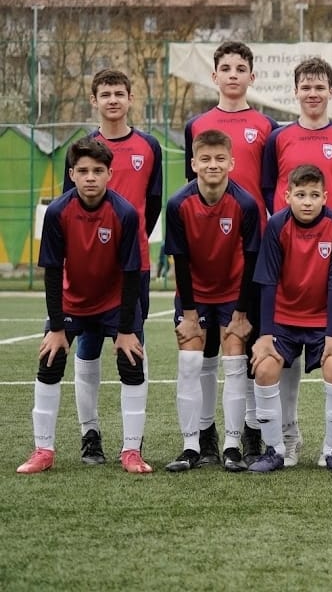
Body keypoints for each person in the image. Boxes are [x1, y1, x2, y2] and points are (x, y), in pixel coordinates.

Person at [18, 138, 149, 474]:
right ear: (72, 174)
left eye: (98, 171)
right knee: (49, 360)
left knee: (132, 362)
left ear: (109, 174)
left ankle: (131, 451)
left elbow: (131, 274)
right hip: (72, 302)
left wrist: (125, 330)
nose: (91, 177)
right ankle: (43, 450)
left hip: (115, 303)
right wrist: (56, 328)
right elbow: (51, 271)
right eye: (84, 171)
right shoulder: (57, 212)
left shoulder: (124, 213)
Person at [261, 57, 332, 468]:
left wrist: (330, 223)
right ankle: (284, 441)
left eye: (320, 86)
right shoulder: (278, 138)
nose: (313, 93)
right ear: (296, 91)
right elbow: (268, 186)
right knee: (276, 362)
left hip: (329, 250)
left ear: (331, 91)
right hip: (290, 256)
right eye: (306, 86)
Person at [184, 40, 279, 467]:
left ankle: (251, 433)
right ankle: (205, 435)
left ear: (252, 77)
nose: (234, 75)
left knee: (249, 342)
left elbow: (270, 188)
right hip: (209, 252)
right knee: (205, 350)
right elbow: (192, 187)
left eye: (241, 68)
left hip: (252, 252)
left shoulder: (267, 126)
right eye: (226, 68)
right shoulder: (198, 124)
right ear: (215, 75)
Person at [63, 69, 161, 468]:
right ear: (94, 100)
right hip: (90, 268)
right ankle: (90, 435)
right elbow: (68, 209)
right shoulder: (82, 148)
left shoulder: (149, 146)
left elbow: (152, 204)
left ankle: (132, 444)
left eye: (119, 93)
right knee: (87, 348)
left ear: (130, 98)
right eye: (105, 94)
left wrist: (130, 244)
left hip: (134, 267)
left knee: (132, 347)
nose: (113, 100)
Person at [163, 129, 261, 472]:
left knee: (234, 362)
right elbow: (180, 261)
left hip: (233, 295)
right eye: (205, 159)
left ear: (232, 162)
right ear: (193, 164)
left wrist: (242, 313)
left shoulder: (245, 204)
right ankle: (192, 446)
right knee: (190, 362)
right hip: (195, 296)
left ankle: (232, 447)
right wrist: (189, 314)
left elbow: (251, 260)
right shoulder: (178, 204)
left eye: (220, 158)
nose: (213, 164)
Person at [249, 164, 332, 473]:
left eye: (313, 195)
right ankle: (274, 450)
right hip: (284, 319)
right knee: (264, 369)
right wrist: (265, 335)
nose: (307, 202)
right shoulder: (276, 225)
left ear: (325, 197)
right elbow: (267, 281)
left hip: (325, 320)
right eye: (300, 195)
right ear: (287, 196)